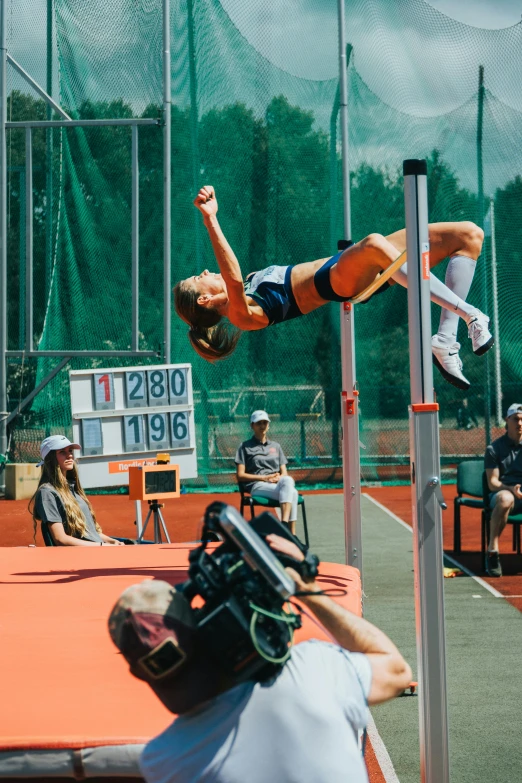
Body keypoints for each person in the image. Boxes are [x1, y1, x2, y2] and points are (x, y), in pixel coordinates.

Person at [108, 536, 412, 783]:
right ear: (202, 630)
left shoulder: (163, 761)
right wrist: (307, 590)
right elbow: (396, 671)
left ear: (140, 673)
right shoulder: (312, 669)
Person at [174, 186, 493, 390]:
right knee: (374, 243)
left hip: (347, 263)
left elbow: (234, 277)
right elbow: (230, 277)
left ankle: (445, 340)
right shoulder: (241, 314)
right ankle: (470, 315)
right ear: (203, 298)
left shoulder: (243, 287)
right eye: (197, 277)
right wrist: (211, 220)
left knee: (468, 235)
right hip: (337, 280)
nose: (203, 271)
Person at [29, 435, 124, 546]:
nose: (69, 455)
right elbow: (60, 539)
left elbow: (89, 533)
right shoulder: (47, 492)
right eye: (62, 452)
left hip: (95, 551)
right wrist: (102, 546)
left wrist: (111, 541)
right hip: (81, 557)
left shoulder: (73, 489)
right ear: (51, 458)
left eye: (70, 451)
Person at [236, 410, 299, 535]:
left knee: (288, 481)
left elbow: (284, 473)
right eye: (259, 423)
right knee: (293, 493)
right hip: (257, 486)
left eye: (265, 422)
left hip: (277, 483)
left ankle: (284, 526)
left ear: (268, 425)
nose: (262, 426)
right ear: (252, 426)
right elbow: (240, 476)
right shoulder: (244, 447)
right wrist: (264, 478)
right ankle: (291, 535)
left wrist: (278, 478)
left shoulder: (276, 446)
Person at [484, 404, 522, 577]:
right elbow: (492, 483)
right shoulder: (494, 449)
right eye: (516, 419)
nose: (520, 423)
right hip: (502, 492)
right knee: (505, 499)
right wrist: (512, 489)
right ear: (507, 421)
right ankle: (493, 551)